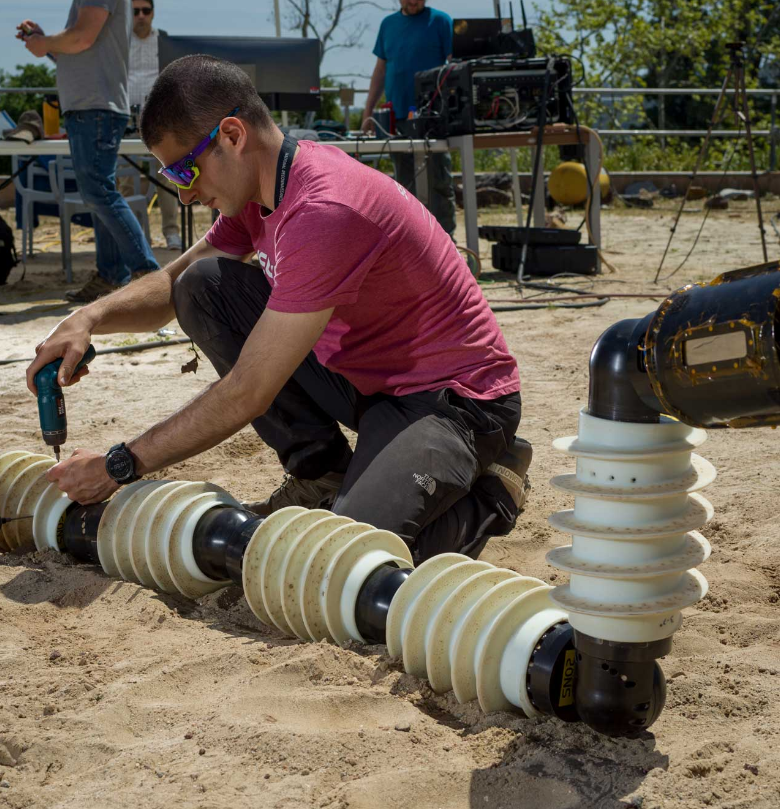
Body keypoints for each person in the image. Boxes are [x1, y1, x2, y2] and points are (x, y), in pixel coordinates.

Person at [27, 56, 532, 564]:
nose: (183, 194)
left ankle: (492, 491)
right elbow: (173, 282)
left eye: (184, 169)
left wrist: (119, 464)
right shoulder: (259, 187)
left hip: (454, 402)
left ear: (231, 135)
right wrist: (87, 318)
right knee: (202, 285)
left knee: (340, 565)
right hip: (369, 382)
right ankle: (322, 476)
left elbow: (247, 391)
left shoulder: (324, 211)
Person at [19, 0, 160, 303]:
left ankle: (148, 275)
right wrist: (46, 43)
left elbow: (82, 38)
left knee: (99, 193)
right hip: (93, 105)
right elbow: (80, 49)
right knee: (99, 194)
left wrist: (45, 43)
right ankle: (112, 275)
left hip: (95, 106)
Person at [361, 0, 456, 237]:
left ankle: (447, 241)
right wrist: (368, 111)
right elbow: (380, 70)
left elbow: (455, 67)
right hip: (397, 116)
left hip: (432, 116)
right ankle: (412, 242)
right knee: (403, 184)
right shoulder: (388, 24)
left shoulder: (441, 21)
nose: (413, 1)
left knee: (439, 180)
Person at [123, 0, 182, 251]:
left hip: (160, 117)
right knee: (126, 177)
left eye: (145, 11)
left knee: (169, 176)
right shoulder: (120, 40)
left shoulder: (165, 41)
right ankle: (135, 236)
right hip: (126, 116)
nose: (141, 16)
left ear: (153, 13)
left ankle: (171, 232)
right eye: (135, 11)